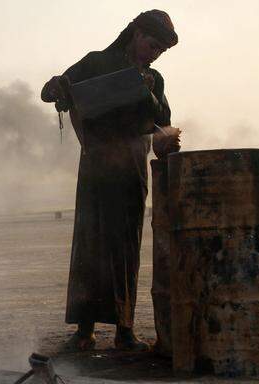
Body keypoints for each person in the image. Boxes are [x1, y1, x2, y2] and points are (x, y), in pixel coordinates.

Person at [41, 10, 180, 351]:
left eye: (160, 50)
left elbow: (162, 122)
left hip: (131, 168)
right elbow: (50, 94)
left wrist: (149, 96)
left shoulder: (154, 78)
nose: (154, 53)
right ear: (135, 33)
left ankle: (125, 330)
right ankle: (84, 331)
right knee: (89, 246)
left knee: (125, 247)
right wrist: (57, 83)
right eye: (152, 44)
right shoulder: (95, 62)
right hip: (96, 166)